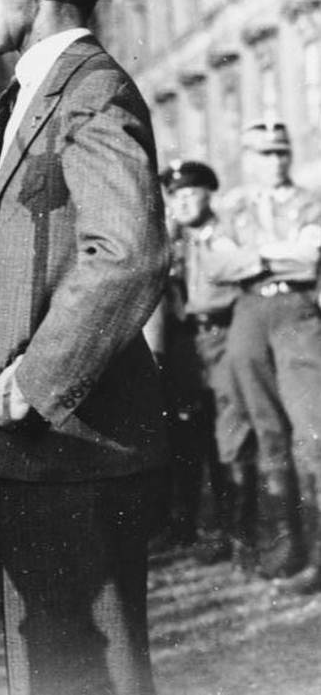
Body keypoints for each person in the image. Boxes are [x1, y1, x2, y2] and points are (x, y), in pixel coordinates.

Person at [0, 0, 169, 695]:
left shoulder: (90, 86)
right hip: (39, 443)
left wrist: (38, 378)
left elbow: (127, 252)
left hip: (74, 439)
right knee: (49, 661)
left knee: (92, 671)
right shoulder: (35, 89)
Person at [209, 121, 321, 591]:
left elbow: (309, 260)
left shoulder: (311, 202)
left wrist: (254, 255)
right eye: (264, 154)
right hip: (249, 314)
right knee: (265, 433)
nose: (274, 162)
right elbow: (219, 266)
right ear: (247, 158)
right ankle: (286, 549)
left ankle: (316, 554)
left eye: (281, 152)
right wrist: (277, 254)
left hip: (296, 312)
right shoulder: (229, 208)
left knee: (311, 430)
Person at [158, 160, 239, 560]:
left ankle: (229, 524)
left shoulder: (224, 234)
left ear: (209, 195)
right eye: (177, 196)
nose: (184, 203)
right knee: (185, 433)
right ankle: (185, 521)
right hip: (183, 344)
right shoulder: (170, 241)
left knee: (225, 432)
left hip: (220, 335)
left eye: (192, 193)